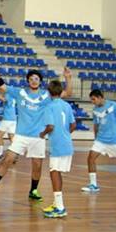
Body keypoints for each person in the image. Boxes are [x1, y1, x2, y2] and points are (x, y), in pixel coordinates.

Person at [0, 63, 73, 201]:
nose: (33, 81)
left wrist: (68, 78)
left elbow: (67, 93)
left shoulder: (46, 95)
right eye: (31, 79)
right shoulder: (20, 93)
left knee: (37, 165)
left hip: (38, 137)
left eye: (36, 79)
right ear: (28, 81)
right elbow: (3, 86)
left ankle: (33, 190)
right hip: (21, 135)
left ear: (40, 81)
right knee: (8, 159)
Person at [41, 81, 76, 218]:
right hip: (67, 143)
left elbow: (50, 126)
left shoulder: (49, 107)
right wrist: (65, 134)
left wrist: (42, 134)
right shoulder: (66, 105)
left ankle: (60, 208)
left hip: (57, 145)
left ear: (49, 92)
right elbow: (73, 125)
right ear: (61, 92)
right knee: (57, 172)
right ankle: (57, 203)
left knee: (54, 173)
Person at [0, 91, 17, 160]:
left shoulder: (8, 95)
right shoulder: (13, 96)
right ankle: (15, 155)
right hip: (13, 119)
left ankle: (0, 154)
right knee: (11, 137)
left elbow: (5, 100)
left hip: (7, 119)